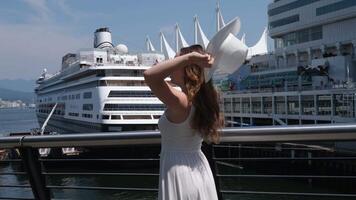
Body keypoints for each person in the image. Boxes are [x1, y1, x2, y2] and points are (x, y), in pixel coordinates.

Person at [144, 44, 223, 200]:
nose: (173, 64)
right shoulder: (198, 100)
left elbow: (150, 76)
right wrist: (186, 59)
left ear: (187, 68)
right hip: (197, 167)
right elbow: (156, 77)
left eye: (177, 61)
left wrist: (189, 57)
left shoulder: (181, 102)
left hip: (179, 171)